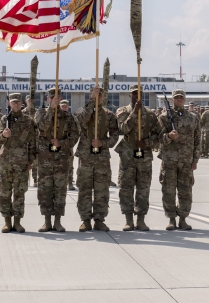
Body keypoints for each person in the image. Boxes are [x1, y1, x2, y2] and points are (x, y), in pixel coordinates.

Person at [74, 86, 119, 232]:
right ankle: (85, 220)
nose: (98, 97)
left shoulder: (109, 115)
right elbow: (83, 119)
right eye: (95, 95)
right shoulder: (82, 111)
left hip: (102, 158)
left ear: (103, 97)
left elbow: (115, 136)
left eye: (100, 95)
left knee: (102, 190)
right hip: (86, 157)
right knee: (84, 189)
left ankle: (99, 220)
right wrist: (91, 102)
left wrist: (103, 143)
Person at [116, 85, 160, 231]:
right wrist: (134, 112)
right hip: (128, 155)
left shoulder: (150, 114)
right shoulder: (123, 111)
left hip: (144, 156)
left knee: (143, 189)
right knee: (126, 188)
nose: (137, 96)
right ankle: (128, 219)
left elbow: (157, 136)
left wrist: (147, 142)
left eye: (139, 94)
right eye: (134, 94)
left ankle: (141, 219)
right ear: (130, 95)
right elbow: (123, 128)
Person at [34, 88, 79, 232]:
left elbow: (75, 135)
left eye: (57, 97)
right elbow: (41, 128)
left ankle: (58, 221)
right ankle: (47, 221)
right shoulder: (40, 113)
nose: (55, 99)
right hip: (45, 158)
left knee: (60, 190)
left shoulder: (67, 117)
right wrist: (51, 111)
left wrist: (62, 143)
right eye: (52, 97)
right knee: (45, 190)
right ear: (48, 99)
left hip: (61, 159)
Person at [158, 89, 200, 231]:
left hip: (186, 160)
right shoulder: (164, 117)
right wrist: (169, 136)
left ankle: (183, 219)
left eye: (181, 97)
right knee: (168, 190)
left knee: (185, 191)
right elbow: (158, 138)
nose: (179, 99)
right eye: (176, 97)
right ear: (172, 100)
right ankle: (171, 219)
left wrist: (195, 159)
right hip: (169, 160)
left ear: (185, 99)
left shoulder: (193, 117)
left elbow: (197, 139)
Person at [0, 93, 36, 233]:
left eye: (18, 103)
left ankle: (17, 222)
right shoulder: (4, 119)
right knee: (4, 193)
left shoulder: (28, 121)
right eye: (13, 102)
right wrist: (4, 135)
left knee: (20, 193)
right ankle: (7, 222)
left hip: (21, 162)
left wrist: (31, 161)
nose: (16, 105)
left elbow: (32, 143)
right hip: (6, 162)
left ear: (22, 104)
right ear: (9, 104)